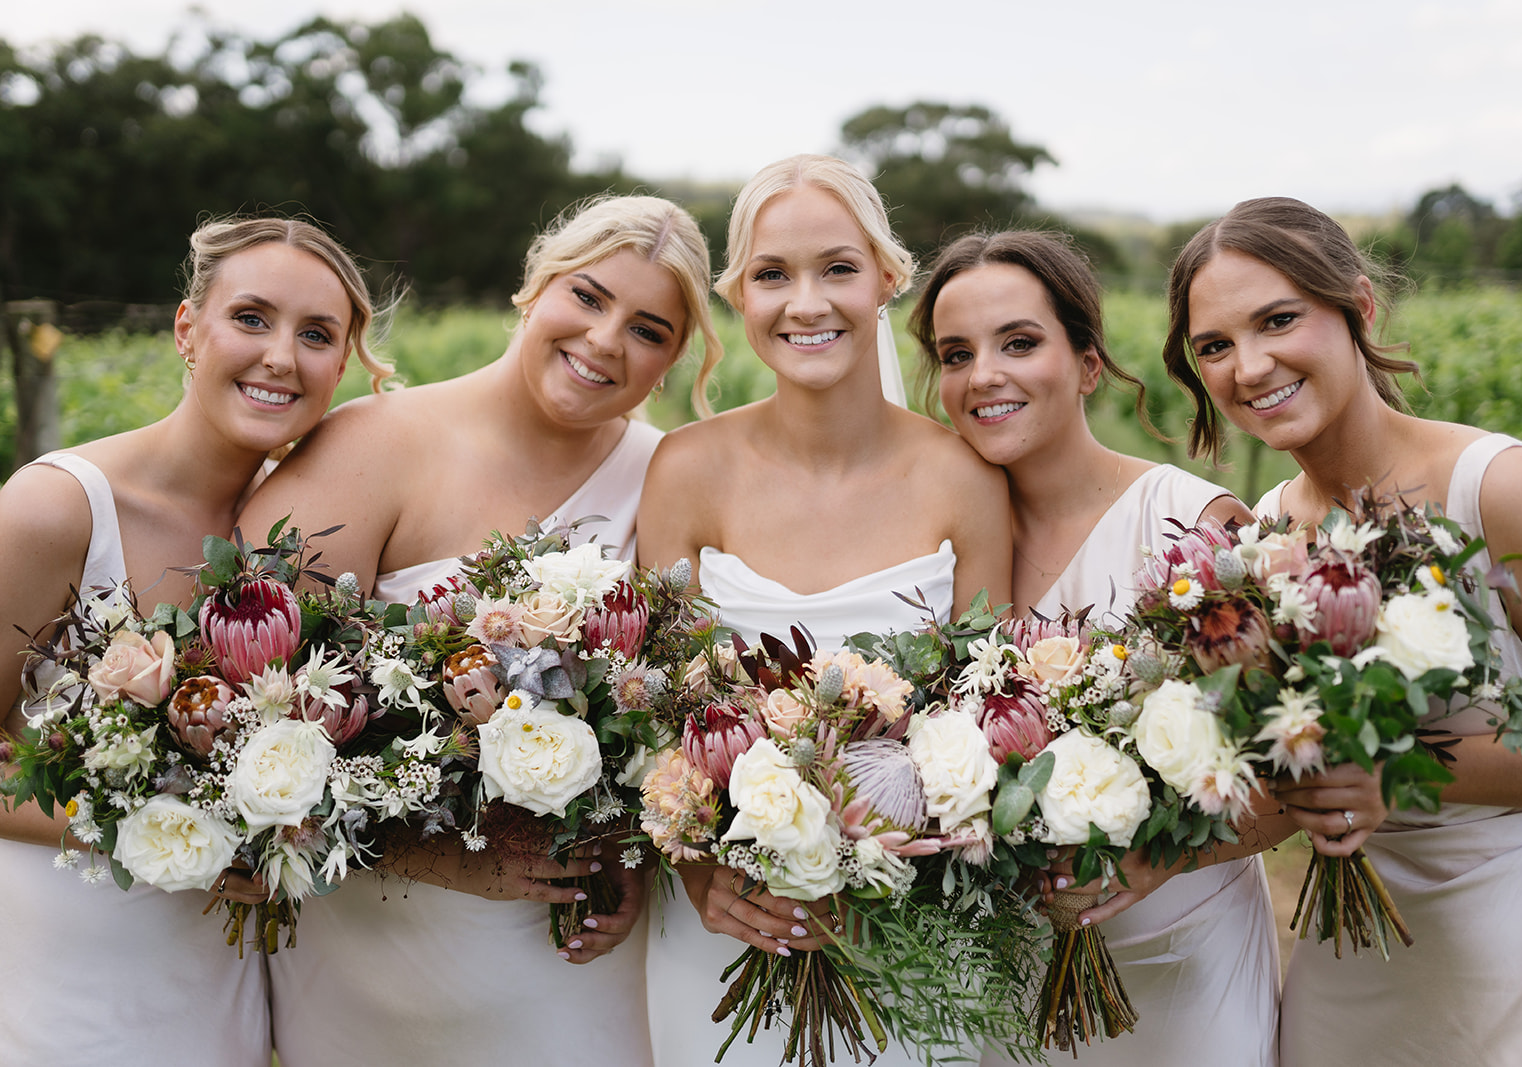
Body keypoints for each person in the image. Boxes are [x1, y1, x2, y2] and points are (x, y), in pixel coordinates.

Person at [239, 194, 721, 1066]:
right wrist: (427, 847)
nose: (607, 340)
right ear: (532, 287)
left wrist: (631, 859)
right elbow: (242, 710)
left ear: (674, 358)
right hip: (380, 950)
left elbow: (673, 712)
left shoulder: (670, 478)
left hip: (573, 970)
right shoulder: (373, 443)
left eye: (650, 329)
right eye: (588, 296)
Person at [1163, 195, 1522, 1067]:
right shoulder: (1261, 538)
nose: (1248, 365)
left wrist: (1397, 783)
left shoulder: (1495, 488)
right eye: (1214, 345)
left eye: (1278, 320)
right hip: (1355, 963)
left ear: (1359, 308)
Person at [635, 153, 1011, 1066]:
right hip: (729, 931)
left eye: (837, 268)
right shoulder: (685, 470)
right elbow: (653, 703)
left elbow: (990, 707)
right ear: (738, 295)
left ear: (886, 276)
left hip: (918, 931)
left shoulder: (963, 477)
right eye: (772, 275)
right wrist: (696, 870)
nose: (807, 303)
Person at [0, 215, 388, 1067]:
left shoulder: (304, 544)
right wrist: (154, 827)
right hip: (75, 985)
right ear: (187, 328)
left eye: (317, 335)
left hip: (231, 992)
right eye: (252, 317)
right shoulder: (54, 508)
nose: (282, 356)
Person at [912, 229, 1287, 1066]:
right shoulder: (934, 548)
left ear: (1087, 362)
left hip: (1182, 969)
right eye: (956, 353)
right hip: (1003, 980)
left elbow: (1290, 778)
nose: (984, 376)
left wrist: (1150, 856)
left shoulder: (1193, 527)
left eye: (1019, 342)